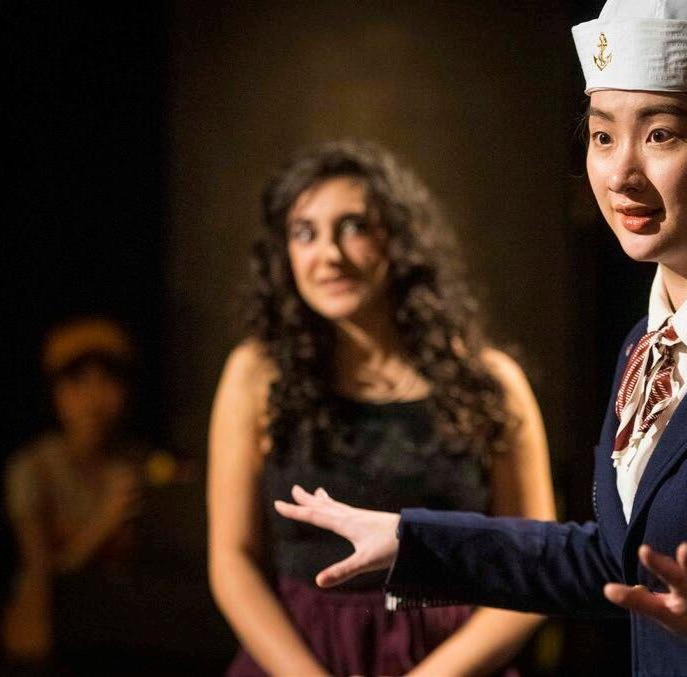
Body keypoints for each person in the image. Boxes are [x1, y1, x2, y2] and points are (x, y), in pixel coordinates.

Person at [274, 2, 687, 676]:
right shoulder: (646, 341)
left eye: (661, 135)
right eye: (602, 136)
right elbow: (614, 559)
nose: (620, 173)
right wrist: (412, 541)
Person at [208, 141, 556, 676]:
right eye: (305, 233)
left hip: (451, 662)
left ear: (399, 238)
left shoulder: (490, 382)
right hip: (297, 658)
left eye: (353, 227)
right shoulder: (255, 375)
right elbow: (231, 559)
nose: (329, 254)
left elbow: (534, 566)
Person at [2, 317, 146, 663]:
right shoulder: (33, 467)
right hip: (47, 641)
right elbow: (42, 577)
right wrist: (105, 520)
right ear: (55, 394)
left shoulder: (137, 464)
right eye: (78, 382)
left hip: (124, 635)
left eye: (107, 381)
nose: (93, 399)